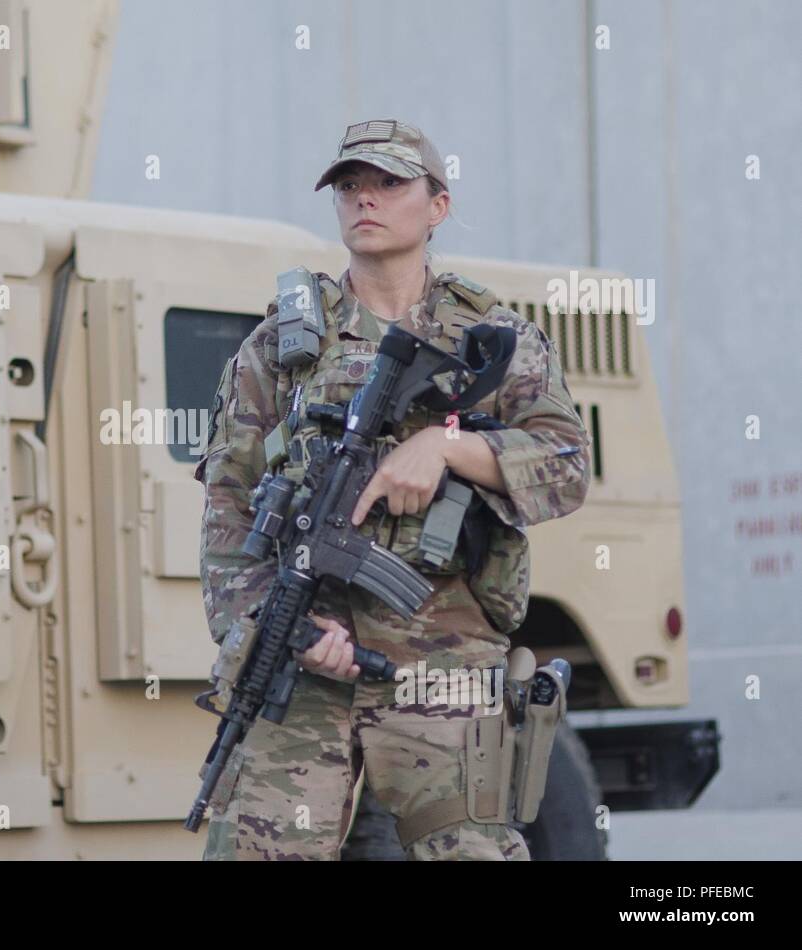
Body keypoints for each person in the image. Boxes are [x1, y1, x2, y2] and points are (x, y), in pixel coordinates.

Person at [193, 119, 591, 861]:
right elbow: (227, 512)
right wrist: (275, 630)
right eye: (349, 186)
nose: (364, 200)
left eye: (388, 184)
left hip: (444, 663)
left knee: (471, 853)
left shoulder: (496, 339)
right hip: (302, 669)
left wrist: (446, 446)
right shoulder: (279, 349)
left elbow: (567, 465)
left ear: (437, 206)